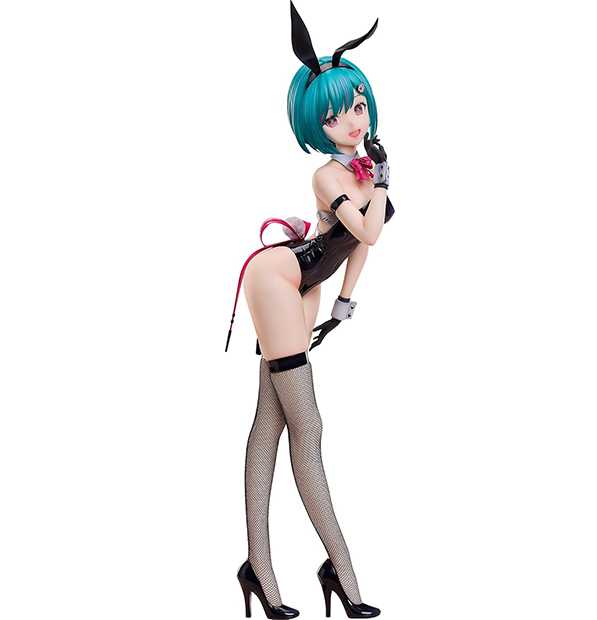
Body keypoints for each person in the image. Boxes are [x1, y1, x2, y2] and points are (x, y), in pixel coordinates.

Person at [233, 3, 393, 618]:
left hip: (308, 285)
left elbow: (364, 243)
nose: (350, 121)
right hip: (278, 276)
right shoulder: (331, 176)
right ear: (316, 126)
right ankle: (342, 572)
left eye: (356, 106)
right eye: (332, 115)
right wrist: (380, 183)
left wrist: (348, 297)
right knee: (309, 426)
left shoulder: (367, 170)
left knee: (272, 419)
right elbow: (367, 227)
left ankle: (258, 569)